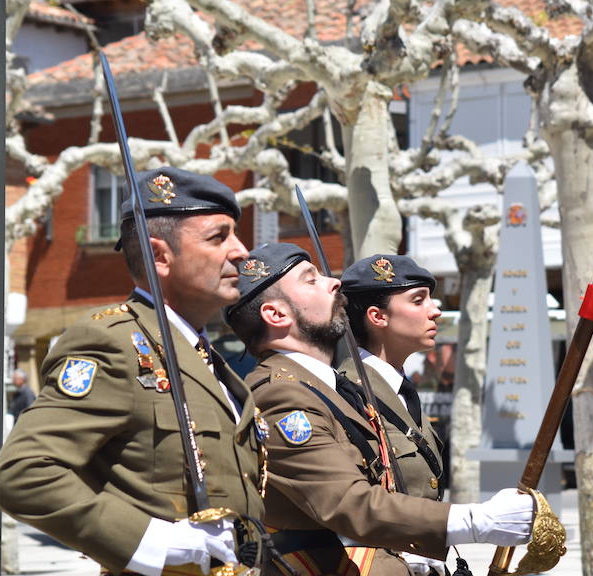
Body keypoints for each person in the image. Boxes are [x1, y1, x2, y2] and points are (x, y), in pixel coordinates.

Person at [0, 167, 265, 576]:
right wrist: (154, 543)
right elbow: (23, 475)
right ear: (159, 257)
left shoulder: (209, 359)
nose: (242, 251)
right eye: (218, 237)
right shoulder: (113, 344)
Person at [224, 242, 535, 576]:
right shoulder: (281, 395)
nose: (334, 283)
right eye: (310, 280)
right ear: (276, 314)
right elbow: (346, 502)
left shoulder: (330, 388)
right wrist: (476, 521)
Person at [339, 255, 447, 576]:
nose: (435, 310)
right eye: (418, 300)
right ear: (378, 317)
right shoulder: (347, 393)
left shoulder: (401, 390)